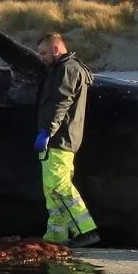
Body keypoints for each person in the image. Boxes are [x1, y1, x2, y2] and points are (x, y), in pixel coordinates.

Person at [33, 32, 100, 248]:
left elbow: (61, 102)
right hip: (59, 140)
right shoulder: (63, 69)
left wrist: (47, 130)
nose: (41, 57)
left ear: (55, 49)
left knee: (58, 187)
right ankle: (56, 237)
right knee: (52, 192)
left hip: (59, 139)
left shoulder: (67, 69)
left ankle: (87, 230)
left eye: (43, 52)